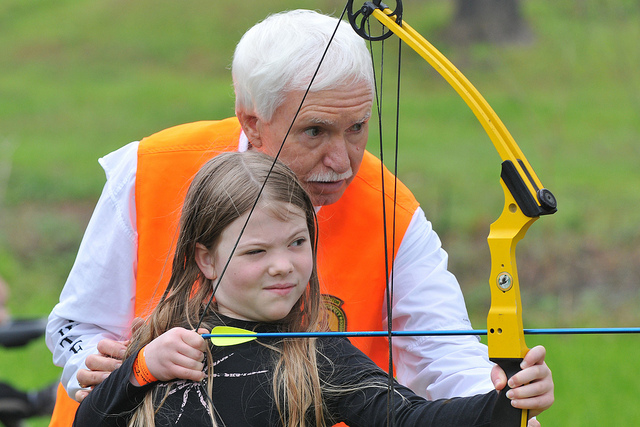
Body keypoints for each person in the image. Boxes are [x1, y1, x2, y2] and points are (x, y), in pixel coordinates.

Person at [47, 9, 550, 427]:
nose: (343, 160)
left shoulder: (392, 208)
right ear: (252, 121)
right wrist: (111, 368)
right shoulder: (152, 168)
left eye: (357, 128)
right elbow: (74, 326)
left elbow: (444, 352)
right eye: (315, 131)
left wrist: (505, 395)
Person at [73, 151, 553, 426]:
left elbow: (410, 422)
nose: (283, 266)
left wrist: (508, 401)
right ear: (206, 258)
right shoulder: (162, 340)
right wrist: (139, 369)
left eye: (298, 242)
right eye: (255, 252)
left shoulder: (316, 356)